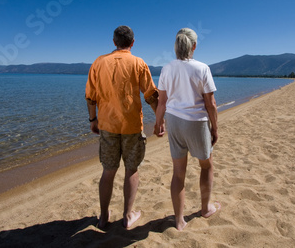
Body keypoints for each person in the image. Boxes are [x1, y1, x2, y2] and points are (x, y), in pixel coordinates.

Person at [85, 25, 158, 229]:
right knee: (131, 170)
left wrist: (93, 120)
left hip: (107, 125)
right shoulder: (138, 63)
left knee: (108, 171)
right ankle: (126, 216)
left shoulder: (99, 62)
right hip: (132, 126)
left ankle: (103, 217)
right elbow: (151, 95)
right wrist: (160, 120)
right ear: (132, 43)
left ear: (114, 42)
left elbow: (90, 97)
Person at [154, 28, 220, 231]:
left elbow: (162, 102)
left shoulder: (166, 69)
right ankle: (206, 207)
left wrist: (158, 123)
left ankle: (179, 220)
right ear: (194, 46)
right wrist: (215, 128)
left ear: (176, 45)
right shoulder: (202, 68)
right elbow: (211, 104)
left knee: (178, 173)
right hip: (196, 122)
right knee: (206, 166)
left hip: (174, 122)